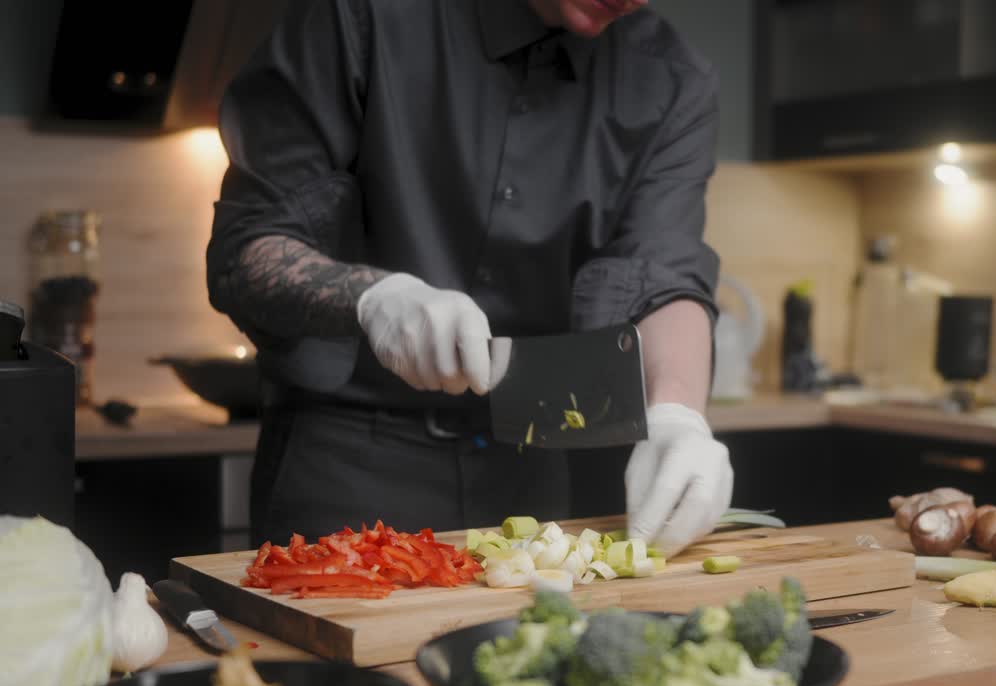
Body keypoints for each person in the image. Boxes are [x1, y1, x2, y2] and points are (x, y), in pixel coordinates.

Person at [206, 0, 733, 556]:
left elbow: (666, 271)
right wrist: (374, 298)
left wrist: (679, 415)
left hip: (533, 470)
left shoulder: (674, 79)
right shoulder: (361, 14)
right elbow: (246, 250)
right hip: (344, 464)